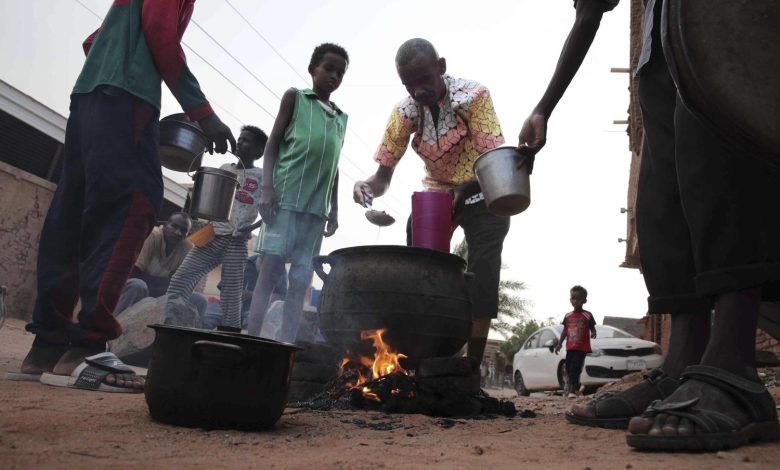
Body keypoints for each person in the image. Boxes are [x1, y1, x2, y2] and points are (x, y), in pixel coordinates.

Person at [523, 0, 780, 452]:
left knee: (718, 163)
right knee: (662, 199)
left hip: (725, 18)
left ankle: (733, 363)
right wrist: (545, 106)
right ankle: (681, 364)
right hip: (659, 51)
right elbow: (589, 12)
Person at [16, 0, 235, 392]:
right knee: (135, 205)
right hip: (127, 99)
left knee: (72, 213)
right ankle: (88, 347)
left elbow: (95, 41)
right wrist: (202, 112)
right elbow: (159, 32)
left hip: (89, 96)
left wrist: (119, 64)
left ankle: (47, 346)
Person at [353, 38, 509, 363]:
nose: (418, 90)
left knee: (484, 270)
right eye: (409, 84)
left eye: (424, 79)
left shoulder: (473, 96)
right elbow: (381, 178)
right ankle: (421, 354)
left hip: (482, 188)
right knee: (421, 269)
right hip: (437, 193)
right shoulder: (405, 112)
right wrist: (365, 185)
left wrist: (463, 191)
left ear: (441, 67)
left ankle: (472, 363)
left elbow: (495, 161)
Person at [245, 43, 349, 343]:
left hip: (316, 211)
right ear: (313, 69)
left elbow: (334, 165)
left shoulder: (341, 118)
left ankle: (286, 346)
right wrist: (266, 189)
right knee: (270, 269)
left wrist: (335, 208)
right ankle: (251, 339)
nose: (334, 76)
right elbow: (273, 144)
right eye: (328, 68)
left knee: (301, 279)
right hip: (285, 200)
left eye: (340, 72)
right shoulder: (296, 98)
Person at [165, 126, 267, 330]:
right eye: (239, 139)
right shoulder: (225, 169)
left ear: (257, 152)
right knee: (182, 277)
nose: (239, 143)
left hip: (237, 240)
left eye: (246, 141)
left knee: (231, 293)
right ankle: (169, 318)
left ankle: (229, 332)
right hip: (212, 234)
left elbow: (270, 211)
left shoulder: (262, 176)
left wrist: (252, 227)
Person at [113, 212, 204, 317]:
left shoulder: (187, 248)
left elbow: (181, 285)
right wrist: (167, 284)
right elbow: (134, 274)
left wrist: (168, 286)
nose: (178, 233)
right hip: (135, 287)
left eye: (183, 230)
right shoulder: (153, 236)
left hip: (162, 293)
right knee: (138, 285)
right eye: (174, 226)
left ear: (188, 234)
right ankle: (112, 327)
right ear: (165, 225)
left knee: (199, 300)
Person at [200, 254, 287, 331]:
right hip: (228, 306)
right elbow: (224, 287)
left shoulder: (280, 270)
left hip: (255, 311)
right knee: (208, 318)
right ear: (259, 260)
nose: (267, 271)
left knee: (255, 323)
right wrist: (235, 293)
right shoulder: (244, 263)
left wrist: (253, 295)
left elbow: (281, 297)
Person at [554, 285, 597, 397]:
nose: (575, 301)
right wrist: (559, 344)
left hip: (581, 348)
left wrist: (593, 332)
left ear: (584, 301)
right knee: (568, 368)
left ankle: (572, 391)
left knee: (575, 368)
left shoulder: (587, 315)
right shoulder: (567, 316)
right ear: (570, 300)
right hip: (570, 347)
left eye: (578, 299)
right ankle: (577, 387)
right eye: (573, 298)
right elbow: (565, 331)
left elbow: (592, 327)